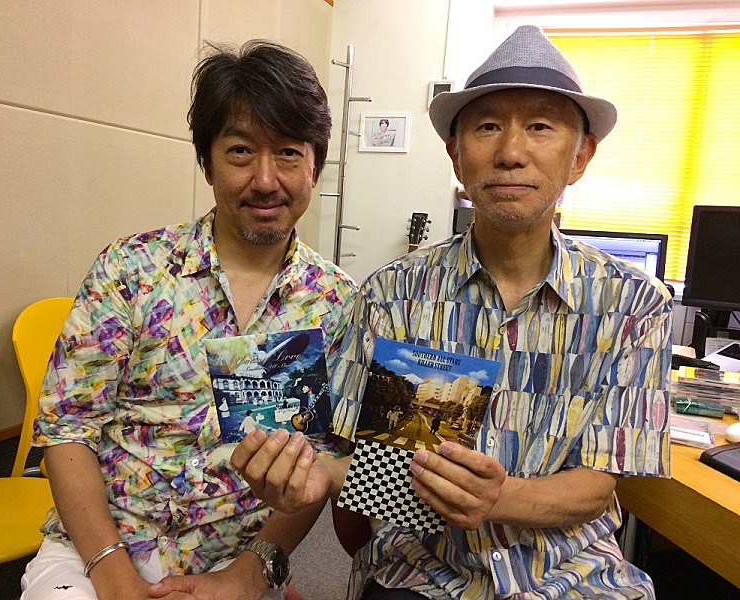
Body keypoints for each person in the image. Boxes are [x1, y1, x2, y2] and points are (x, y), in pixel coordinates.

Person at [231, 25, 673, 600]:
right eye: (487, 127)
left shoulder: (634, 304)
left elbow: (597, 483)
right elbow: (359, 460)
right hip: (422, 572)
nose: (511, 152)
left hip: (573, 576)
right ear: (456, 156)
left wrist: (501, 497)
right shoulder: (393, 294)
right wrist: (311, 474)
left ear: (580, 156)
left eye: (540, 126)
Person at [21, 40, 356, 600]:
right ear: (207, 162)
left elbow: (320, 460)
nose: (266, 179)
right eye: (241, 151)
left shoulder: (337, 304)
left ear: (314, 166)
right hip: (98, 549)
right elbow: (67, 428)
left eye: (288, 154)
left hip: (237, 562)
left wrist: (250, 572)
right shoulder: (131, 269)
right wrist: (114, 576)